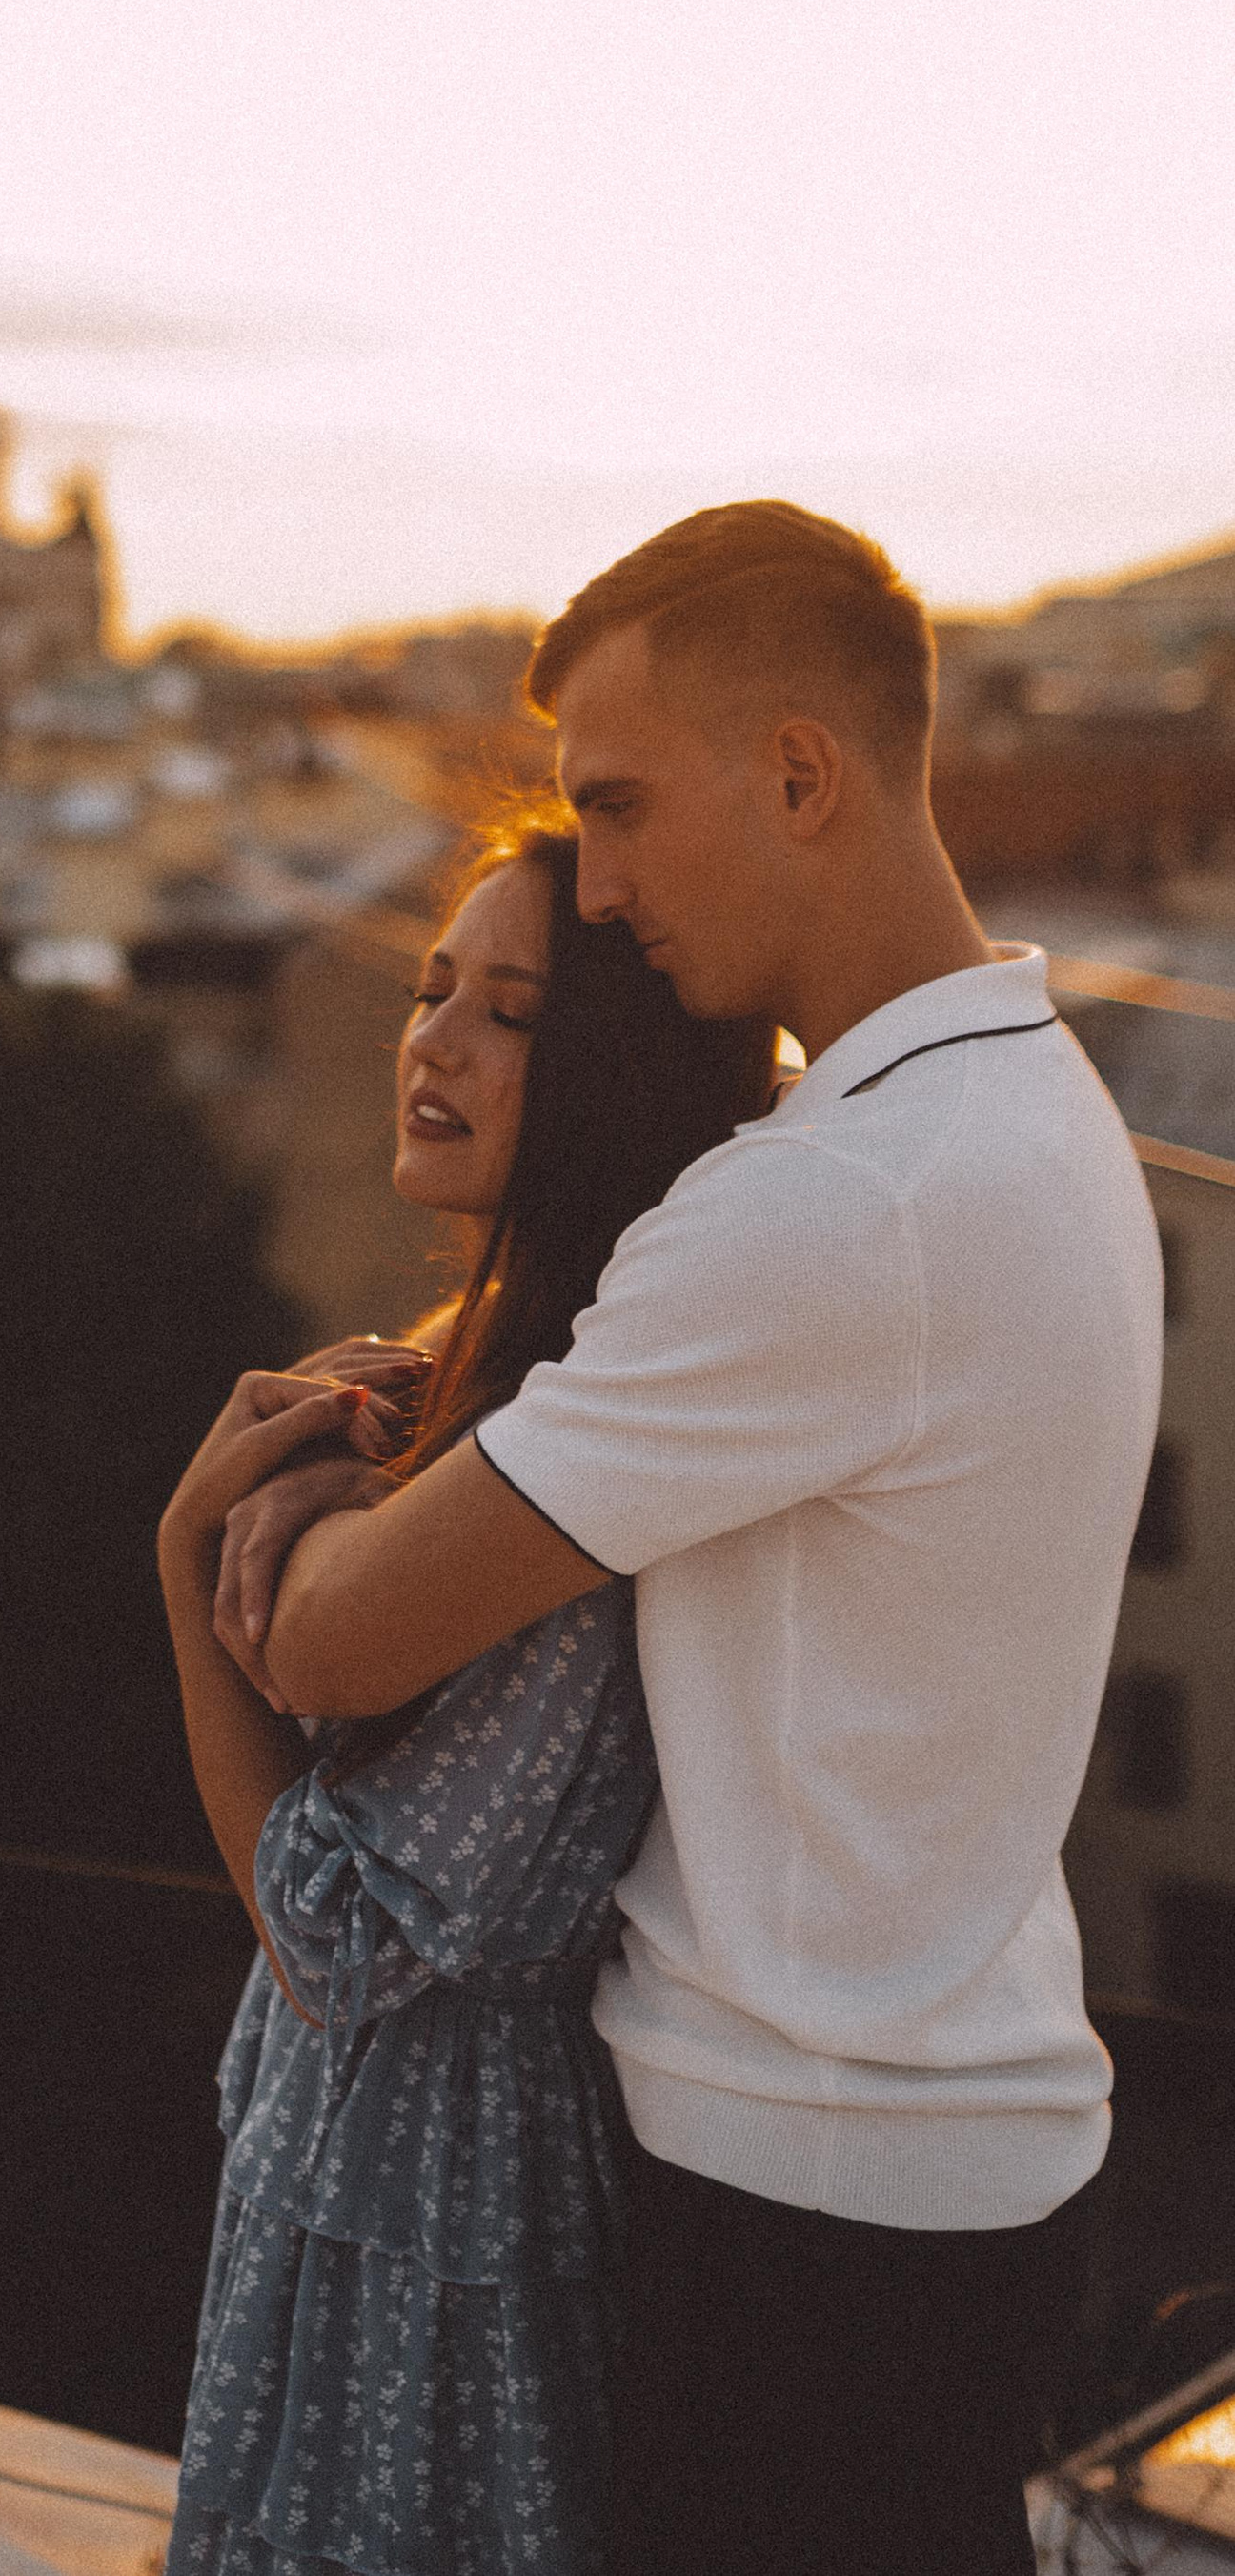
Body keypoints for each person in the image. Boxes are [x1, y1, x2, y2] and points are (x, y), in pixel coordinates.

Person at [212, 503, 1163, 2576]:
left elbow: (341, 1639)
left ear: (802, 772)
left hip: (801, 2194)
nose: (604, 886)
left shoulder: (835, 1202)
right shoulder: (1033, 1106)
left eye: (620, 806)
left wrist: (250, 1505)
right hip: (947, 2142)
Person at [159, 812, 776, 2576]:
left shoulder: (573, 1447)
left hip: (454, 2206)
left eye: (508, 1012)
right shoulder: (464, 1384)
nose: (430, 1041)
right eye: (432, 991)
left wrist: (184, 1577)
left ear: (621, 1080)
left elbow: (342, 1938)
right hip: (357, 2159)